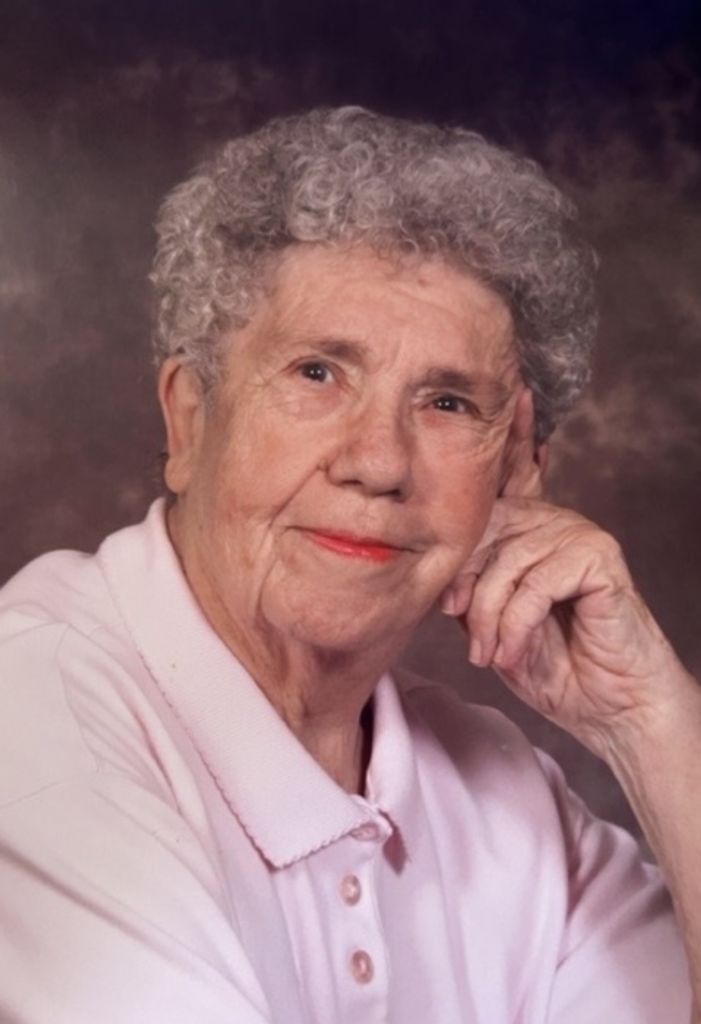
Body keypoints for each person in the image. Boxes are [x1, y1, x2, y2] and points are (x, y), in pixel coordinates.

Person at [0, 106, 698, 1024]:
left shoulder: (503, 787)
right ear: (190, 419)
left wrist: (649, 722)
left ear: (516, 474)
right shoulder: (32, 709)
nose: (377, 461)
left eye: (447, 402)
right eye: (317, 373)